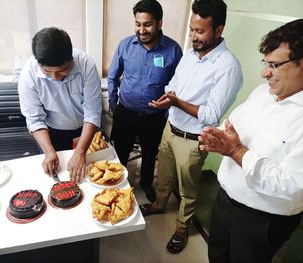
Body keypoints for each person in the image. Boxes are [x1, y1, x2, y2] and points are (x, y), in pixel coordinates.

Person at [139, 0, 243, 254]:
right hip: (170, 127)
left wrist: (176, 102)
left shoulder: (228, 67)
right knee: (162, 175)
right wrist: (167, 98)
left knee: (188, 188)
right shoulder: (189, 53)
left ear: (218, 30)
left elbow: (210, 114)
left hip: (193, 138)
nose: (193, 36)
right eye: (191, 29)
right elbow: (174, 83)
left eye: (200, 31)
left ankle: (183, 227)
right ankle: (159, 205)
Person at [198, 19, 303, 263]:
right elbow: (231, 126)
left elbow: (293, 185)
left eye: (275, 65)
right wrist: (217, 137)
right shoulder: (262, 94)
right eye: (265, 63)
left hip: (262, 221)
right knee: (216, 256)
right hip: (224, 200)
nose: (264, 73)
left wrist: (235, 150)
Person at [108, 0, 182, 203]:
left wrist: (167, 113)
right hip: (126, 113)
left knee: (150, 154)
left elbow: (177, 85)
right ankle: (117, 185)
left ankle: (146, 184)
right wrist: (114, 105)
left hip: (154, 116)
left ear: (159, 23)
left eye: (147, 24)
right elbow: (113, 77)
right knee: (120, 153)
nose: (142, 30)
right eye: (138, 24)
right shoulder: (125, 45)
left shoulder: (173, 50)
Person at [18, 27, 102, 183]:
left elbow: (92, 113)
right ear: (39, 64)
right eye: (47, 72)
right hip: (51, 133)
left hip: (84, 131)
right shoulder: (28, 75)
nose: (55, 78)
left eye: (62, 71)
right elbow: (35, 119)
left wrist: (80, 152)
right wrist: (49, 152)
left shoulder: (86, 64)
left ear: (71, 59)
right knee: (56, 180)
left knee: (86, 178)